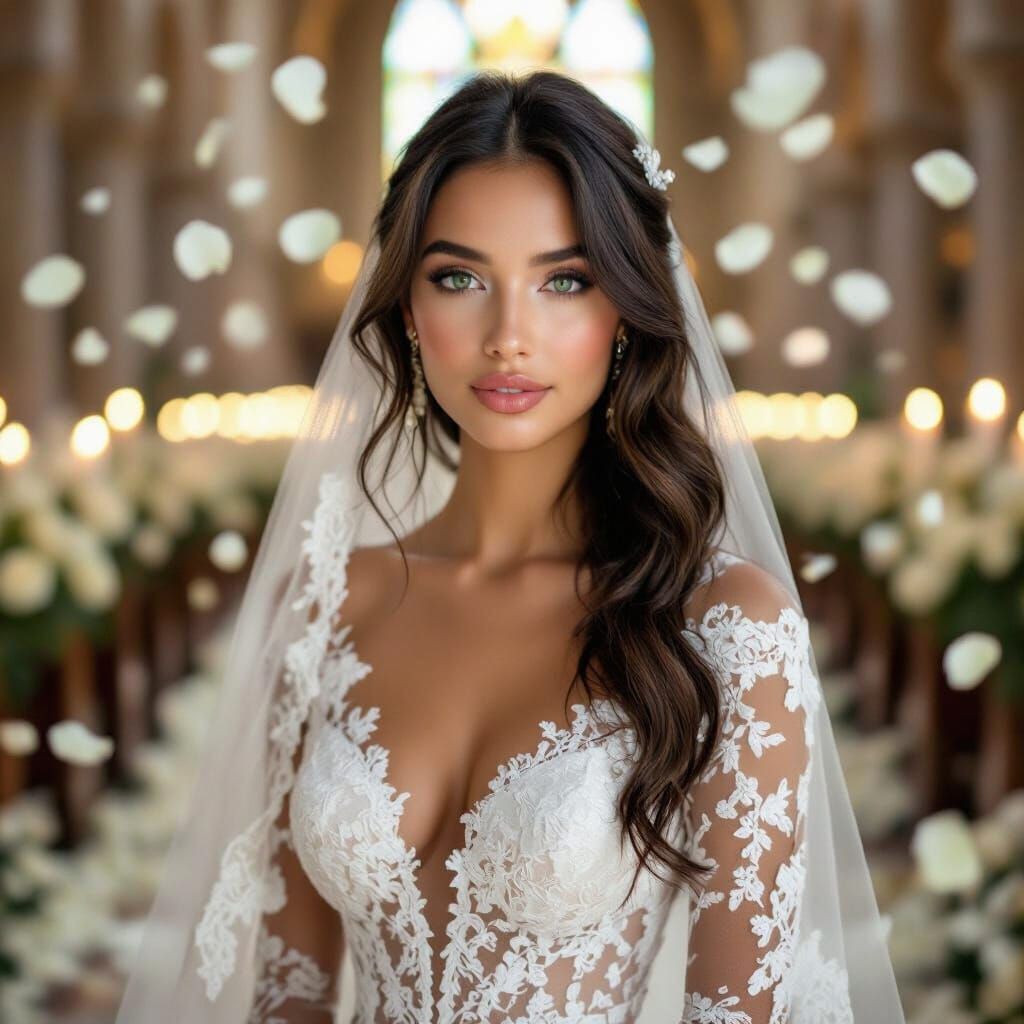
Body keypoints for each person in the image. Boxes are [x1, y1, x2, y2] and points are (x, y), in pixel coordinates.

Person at [115, 69, 906, 1023]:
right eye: (460, 279)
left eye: (564, 281)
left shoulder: (724, 625)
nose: (508, 337)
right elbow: (289, 995)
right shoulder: (325, 602)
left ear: (626, 310)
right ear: (408, 308)